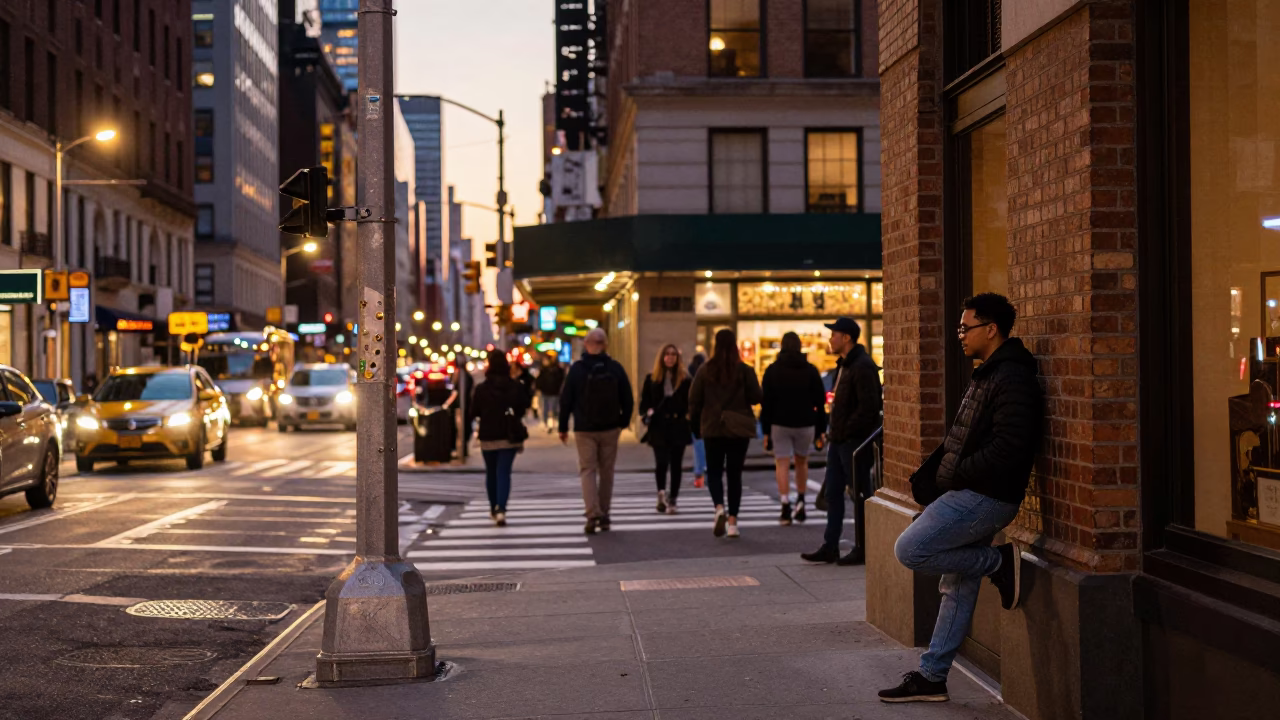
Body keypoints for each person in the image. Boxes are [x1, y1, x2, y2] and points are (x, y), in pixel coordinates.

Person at [878, 293, 1043, 703]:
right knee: (956, 585)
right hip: (971, 491)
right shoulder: (989, 372)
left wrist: (957, 473)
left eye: (966, 327)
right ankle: (933, 676)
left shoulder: (1013, 377)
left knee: (911, 549)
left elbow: (1010, 448)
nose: (960, 335)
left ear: (992, 329)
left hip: (986, 496)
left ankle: (997, 561)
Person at [801, 317, 882, 566]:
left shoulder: (862, 366)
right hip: (838, 440)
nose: (830, 339)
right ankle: (830, 546)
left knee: (860, 494)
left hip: (853, 442)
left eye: (834, 334)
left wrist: (845, 430)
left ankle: (863, 546)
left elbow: (869, 407)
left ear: (846, 338)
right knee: (834, 494)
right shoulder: (845, 364)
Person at [559, 328, 634, 534]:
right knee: (607, 472)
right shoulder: (615, 368)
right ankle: (605, 514)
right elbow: (627, 398)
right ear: (606, 345)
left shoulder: (577, 369)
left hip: (584, 429)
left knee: (588, 470)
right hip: (610, 428)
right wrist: (623, 422)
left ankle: (592, 513)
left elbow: (566, 399)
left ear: (586, 344)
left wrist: (563, 427)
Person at [689, 329, 762, 539]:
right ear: (735, 346)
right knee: (734, 474)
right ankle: (733, 523)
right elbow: (757, 396)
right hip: (738, 429)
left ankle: (719, 507)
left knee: (713, 472)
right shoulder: (744, 370)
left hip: (712, 427)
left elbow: (694, 400)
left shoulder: (705, 370)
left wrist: (696, 427)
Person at [760, 332, 828, 526]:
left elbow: (766, 403)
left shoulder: (772, 371)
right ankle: (800, 499)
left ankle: (784, 504)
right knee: (802, 462)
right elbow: (819, 402)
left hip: (779, 423)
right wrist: (820, 429)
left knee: (782, 463)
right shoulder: (810, 370)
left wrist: (765, 431)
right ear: (800, 347)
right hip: (805, 422)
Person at [467, 350, 532, 527]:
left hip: (488, 435)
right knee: (503, 472)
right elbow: (523, 407)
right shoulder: (515, 386)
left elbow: (473, 412)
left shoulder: (482, 389)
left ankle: (493, 509)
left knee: (491, 472)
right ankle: (502, 509)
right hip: (509, 435)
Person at [639, 344, 692, 515]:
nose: (670, 357)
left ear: (678, 358)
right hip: (659, 427)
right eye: (667, 354)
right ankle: (661, 493)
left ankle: (673, 498)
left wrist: (688, 416)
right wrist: (647, 413)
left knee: (676, 464)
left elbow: (691, 403)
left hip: (678, 426)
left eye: (673, 355)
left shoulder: (685, 380)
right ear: (662, 357)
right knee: (661, 462)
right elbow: (643, 404)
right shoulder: (652, 379)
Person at [687, 353, 708, 488]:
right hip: (704, 415)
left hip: (693, 415)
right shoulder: (705, 375)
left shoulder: (689, 376)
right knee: (704, 445)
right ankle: (703, 469)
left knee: (697, 446)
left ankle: (698, 472)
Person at [536, 354, 567, 434]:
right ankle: (546, 423)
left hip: (553, 392)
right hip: (548, 391)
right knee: (547, 408)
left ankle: (551, 423)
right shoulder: (545, 370)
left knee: (552, 408)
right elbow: (539, 380)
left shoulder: (557, 370)